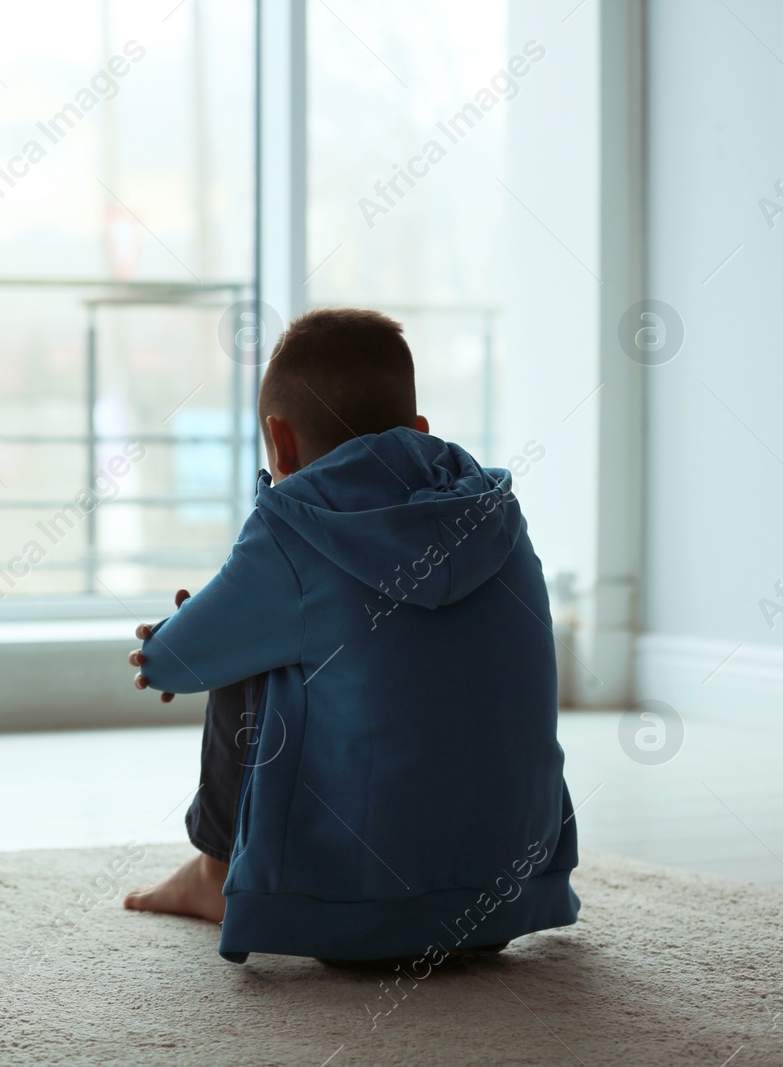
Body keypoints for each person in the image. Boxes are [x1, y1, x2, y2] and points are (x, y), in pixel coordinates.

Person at [123, 308, 579, 964]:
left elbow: (170, 662)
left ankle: (214, 878)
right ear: (419, 432)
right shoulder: (497, 514)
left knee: (253, 647)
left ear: (281, 442)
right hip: (508, 898)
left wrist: (188, 634)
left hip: (356, 909)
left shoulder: (294, 523)